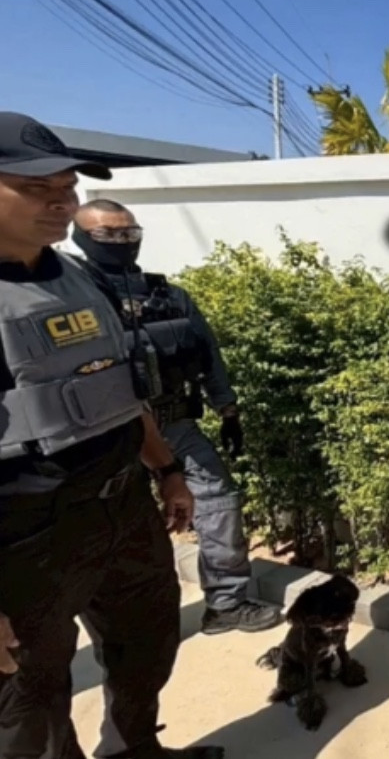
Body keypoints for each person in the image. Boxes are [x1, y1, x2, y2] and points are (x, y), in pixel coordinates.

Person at [0, 111, 223, 759]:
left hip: (122, 507)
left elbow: (118, 390)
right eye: (36, 188)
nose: (61, 202)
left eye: (66, 187)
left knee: (146, 642)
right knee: (30, 699)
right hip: (24, 536)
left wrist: (167, 470)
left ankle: (133, 751)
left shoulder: (80, 278)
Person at [69, 199, 282, 636]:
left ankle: (226, 603)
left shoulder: (167, 295)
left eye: (129, 232)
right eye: (108, 234)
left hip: (176, 424)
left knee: (219, 502)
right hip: (110, 434)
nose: (122, 241)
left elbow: (207, 352)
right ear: (81, 237)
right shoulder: (70, 298)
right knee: (121, 527)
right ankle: (132, 628)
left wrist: (228, 409)